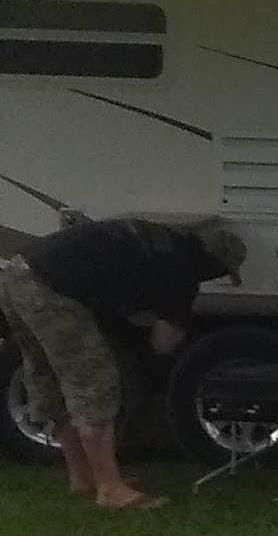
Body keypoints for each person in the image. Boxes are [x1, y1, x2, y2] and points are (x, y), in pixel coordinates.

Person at [0, 214, 247, 512]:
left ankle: (82, 476)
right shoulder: (182, 272)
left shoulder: (161, 239)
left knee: (50, 374)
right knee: (94, 383)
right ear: (213, 264)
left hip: (16, 274)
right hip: (50, 290)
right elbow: (163, 343)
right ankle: (110, 489)